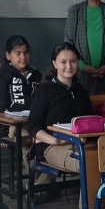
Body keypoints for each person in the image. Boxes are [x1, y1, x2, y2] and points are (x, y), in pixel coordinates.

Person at [27, 43, 94, 174]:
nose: (68, 66)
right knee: (87, 163)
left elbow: (89, 120)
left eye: (73, 61)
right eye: (63, 62)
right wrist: (55, 140)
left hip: (82, 143)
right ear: (55, 64)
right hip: (54, 146)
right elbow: (33, 127)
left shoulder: (81, 91)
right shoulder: (44, 91)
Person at [0, 35, 42, 114]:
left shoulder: (36, 74)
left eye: (26, 53)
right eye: (18, 53)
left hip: (35, 118)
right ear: (8, 55)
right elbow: (0, 108)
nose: (23, 57)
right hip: (10, 120)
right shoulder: (1, 76)